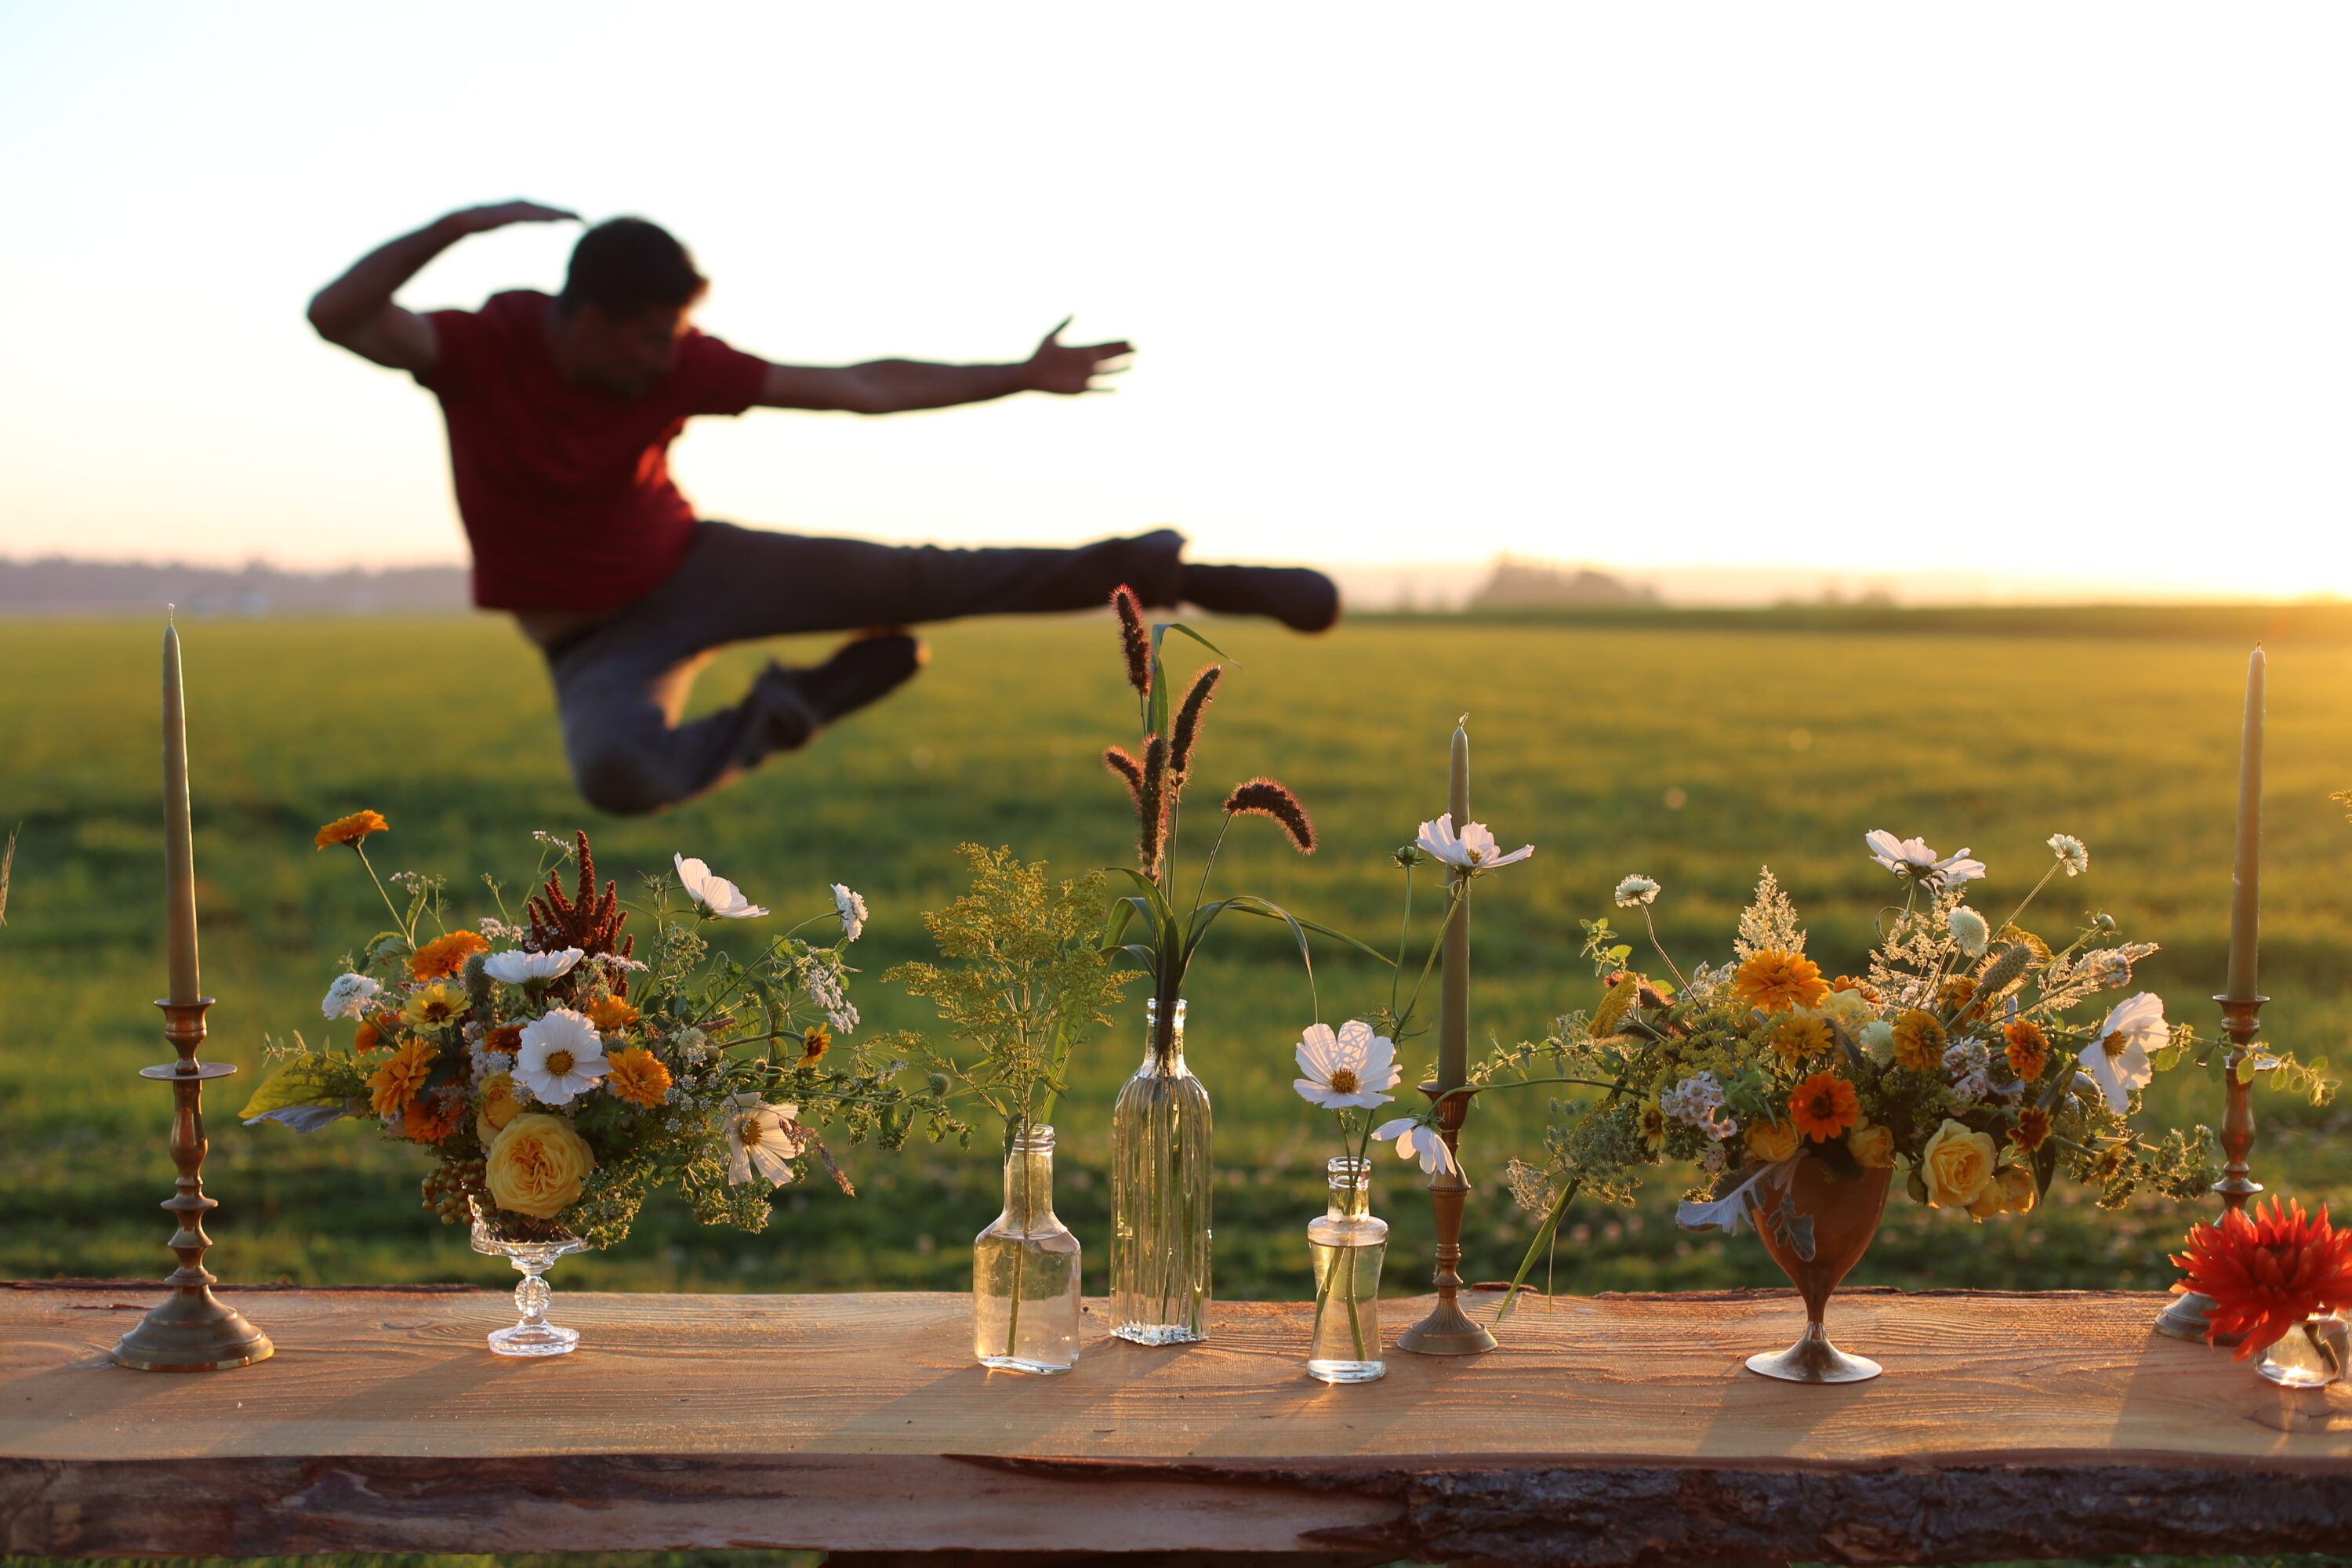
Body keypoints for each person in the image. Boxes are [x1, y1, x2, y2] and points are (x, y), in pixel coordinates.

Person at [307, 201, 1340, 815]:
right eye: (644, 338)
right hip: (592, 646)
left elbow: (859, 386)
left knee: (925, 576)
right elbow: (336, 315)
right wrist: (461, 225)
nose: (663, 357)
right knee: (619, 775)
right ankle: (802, 703)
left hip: (693, 567)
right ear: (582, 319)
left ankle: (1178, 575)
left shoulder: (676, 364)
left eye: (674, 336)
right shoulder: (476, 348)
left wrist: (1018, 374)